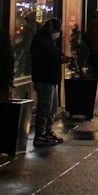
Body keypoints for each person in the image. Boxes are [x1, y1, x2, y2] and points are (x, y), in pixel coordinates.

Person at [30, 17, 66, 147]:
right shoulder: (41, 41)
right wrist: (59, 59)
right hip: (45, 78)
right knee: (45, 106)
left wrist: (60, 57)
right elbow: (45, 60)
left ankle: (48, 131)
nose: (58, 33)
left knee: (52, 107)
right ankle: (40, 134)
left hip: (51, 78)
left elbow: (54, 54)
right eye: (57, 30)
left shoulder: (48, 40)